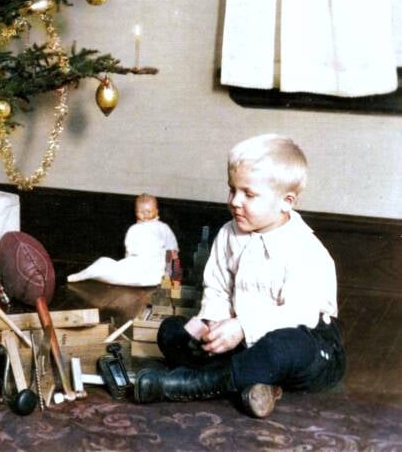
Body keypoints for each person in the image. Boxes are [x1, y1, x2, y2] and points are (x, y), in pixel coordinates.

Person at [134, 134, 345, 418]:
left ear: (287, 201)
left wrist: (243, 326)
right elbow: (218, 288)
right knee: (172, 331)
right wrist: (211, 322)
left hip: (309, 346)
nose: (235, 201)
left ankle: (194, 384)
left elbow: (300, 312)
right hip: (242, 340)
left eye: (249, 194)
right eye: (232, 190)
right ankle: (256, 384)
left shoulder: (304, 248)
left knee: (282, 348)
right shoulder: (229, 233)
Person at [67, 193, 179, 287]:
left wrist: (171, 277)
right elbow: (129, 253)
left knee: (110, 268)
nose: (145, 215)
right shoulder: (134, 229)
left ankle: (90, 273)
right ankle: (85, 274)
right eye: (141, 212)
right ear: (136, 212)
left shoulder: (162, 228)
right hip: (135, 267)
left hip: (154, 272)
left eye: (149, 211)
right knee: (103, 262)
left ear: (156, 211)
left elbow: (172, 251)